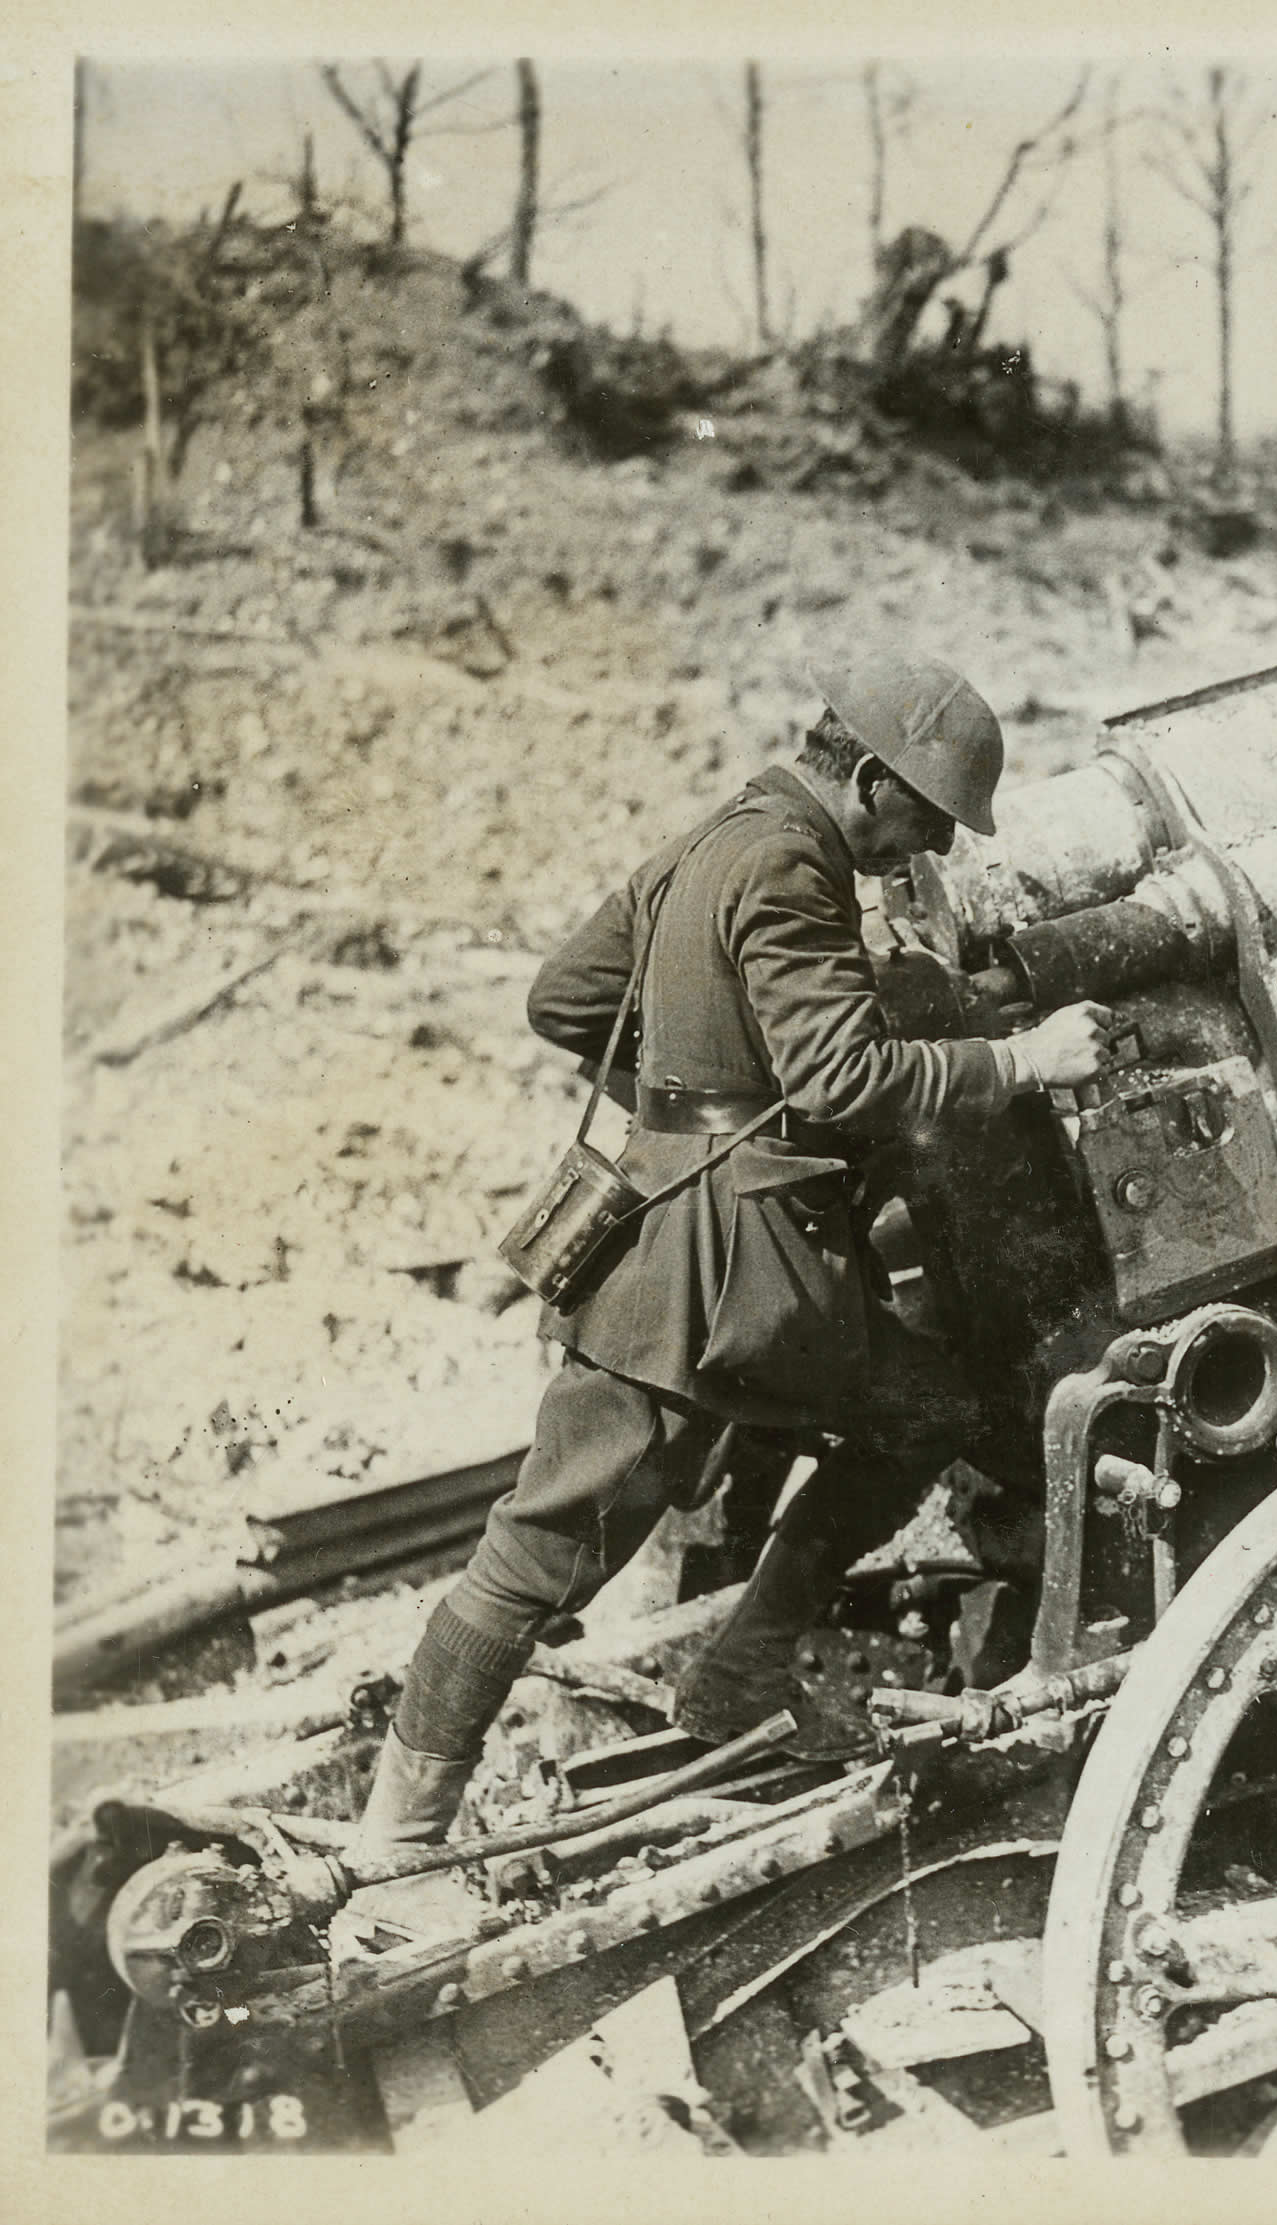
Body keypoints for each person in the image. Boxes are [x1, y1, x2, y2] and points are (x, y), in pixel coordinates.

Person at [352, 650, 1114, 1867]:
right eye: (923, 821)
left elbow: (565, 999)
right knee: (545, 1551)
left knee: (912, 1411)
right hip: (730, 1276)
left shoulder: (719, 833)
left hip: (671, 1238)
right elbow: (843, 1077)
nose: (927, 854)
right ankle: (393, 1841)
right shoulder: (791, 865)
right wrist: (1024, 1063)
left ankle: (733, 1673)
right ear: (869, 778)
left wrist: (682, 1110)